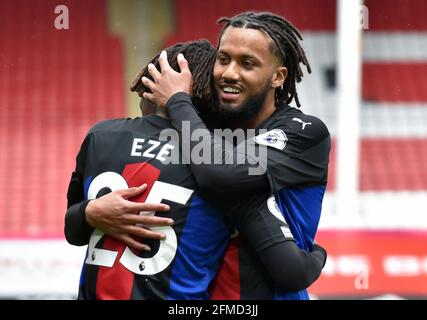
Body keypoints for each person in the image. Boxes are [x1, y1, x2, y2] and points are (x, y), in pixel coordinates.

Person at [65, 40, 327, 300]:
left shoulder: (100, 136)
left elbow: (72, 231)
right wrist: (318, 254)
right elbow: (291, 270)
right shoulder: (219, 167)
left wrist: (89, 213)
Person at [141, 11, 330, 299]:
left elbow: (220, 173)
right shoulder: (202, 131)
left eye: (247, 63)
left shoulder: (304, 133)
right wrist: (89, 213)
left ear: (278, 77)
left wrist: (177, 101)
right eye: (224, 59)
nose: (229, 73)